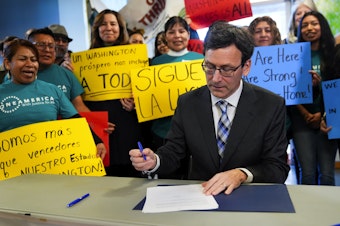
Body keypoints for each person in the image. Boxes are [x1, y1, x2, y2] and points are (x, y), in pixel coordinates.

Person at [130, 21, 290, 195]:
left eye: (227, 70)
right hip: (200, 198)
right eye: (209, 67)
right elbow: (174, 152)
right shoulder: (187, 103)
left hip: (249, 199)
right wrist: (155, 161)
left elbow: (277, 167)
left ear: (246, 67)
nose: (215, 78)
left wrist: (241, 174)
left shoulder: (270, 105)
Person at [0, 38, 106, 159]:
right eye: (22, 59)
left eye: (34, 60)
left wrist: (97, 141)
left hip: (50, 164)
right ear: (8, 63)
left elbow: (75, 120)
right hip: (11, 166)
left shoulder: (53, 90)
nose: (29, 64)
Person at [87, 9, 144, 177]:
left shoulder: (135, 56)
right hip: (102, 128)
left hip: (128, 123)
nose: (108, 28)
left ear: (120, 28)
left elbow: (145, 90)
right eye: (103, 24)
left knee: (132, 176)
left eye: (113, 24)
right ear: (97, 29)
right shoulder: (85, 59)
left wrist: (135, 103)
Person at [290, 11, 338, 185]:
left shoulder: (334, 55)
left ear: (322, 26)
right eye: (304, 25)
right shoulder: (293, 56)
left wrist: (322, 115)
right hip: (301, 121)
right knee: (307, 173)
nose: (309, 28)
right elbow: (288, 90)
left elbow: (336, 89)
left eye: (314, 24)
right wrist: (306, 114)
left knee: (327, 174)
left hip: (329, 120)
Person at [150, 16, 204, 150]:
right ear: (166, 36)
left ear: (188, 34)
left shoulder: (200, 60)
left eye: (181, 31)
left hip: (195, 130)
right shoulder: (156, 62)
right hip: (163, 130)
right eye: (171, 32)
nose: (177, 36)